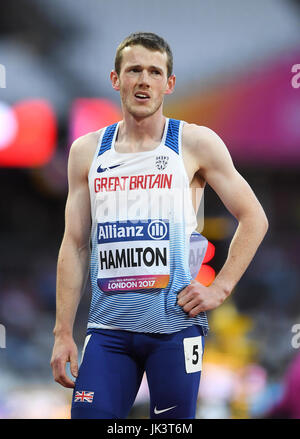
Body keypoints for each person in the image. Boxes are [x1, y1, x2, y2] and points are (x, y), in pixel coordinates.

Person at [50, 32, 268, 419]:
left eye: (154, 72)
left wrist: (220, 288)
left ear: (169, 84)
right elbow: (75, 244)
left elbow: (254, 218)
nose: (143, 80)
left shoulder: (194, 142)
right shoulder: (87, 151)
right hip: (108, 331)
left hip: (175, 331)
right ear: (116, 79)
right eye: (134, 70)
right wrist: (62, 331)